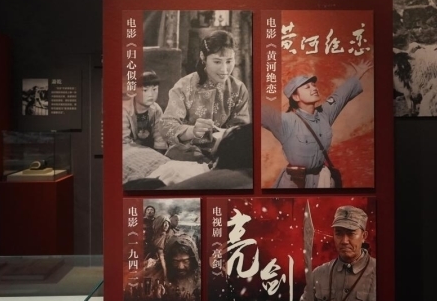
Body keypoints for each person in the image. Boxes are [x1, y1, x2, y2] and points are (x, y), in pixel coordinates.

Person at [262, 60, 372, 188]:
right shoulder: (286, 121)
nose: (314, 88)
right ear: (296, 97)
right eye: (307, 87)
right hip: (294, 183)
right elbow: (261, 111)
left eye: (313, 85)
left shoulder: (324, 115)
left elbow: (340, 96)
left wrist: (358, 74)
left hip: (321, 181)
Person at [159, 30, 250, 161]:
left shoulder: (238, 88)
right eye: (217, 62)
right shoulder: (184, 86)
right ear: (203, 57)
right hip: (187, 151)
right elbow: (166, 126)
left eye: (229, 61)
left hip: (223, 152)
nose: (224, 69)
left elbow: (241, 128)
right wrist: (192, 131)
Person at [298, 206, 376, 301]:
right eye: (339, 233)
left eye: (351, 233)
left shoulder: (380, 273)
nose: (344, 241)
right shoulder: (318, 275)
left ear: (364, 236)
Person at [123, 70, 166, 151]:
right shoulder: (124, 110)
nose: (151, 95)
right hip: (128, 150)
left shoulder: (156, 109)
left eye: (154, 89)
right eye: (145, 90)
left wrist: (160, 152)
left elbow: (160, 136)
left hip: (150, 150)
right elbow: (124, 141)